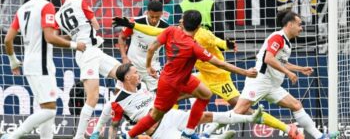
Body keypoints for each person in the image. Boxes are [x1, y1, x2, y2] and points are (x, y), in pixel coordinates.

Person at [112, 15, 304, 139]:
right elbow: (155, 33)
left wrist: (227, 46)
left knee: (225, 102)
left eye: (180, 21)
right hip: (190, 77)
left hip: (217, 79)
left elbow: (219, 44)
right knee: (163, 110)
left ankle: (192, 132)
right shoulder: (182, 36)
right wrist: (133, 24)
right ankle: (152, 133)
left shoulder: (197, 36)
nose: (178, 23)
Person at [2, 0, 86, 139]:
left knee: (47, 108)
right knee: (49, 110)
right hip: (41, 65)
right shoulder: (46, 6)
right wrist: (75, 45)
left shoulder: (22, 8)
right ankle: (13, 135)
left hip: (31, 63)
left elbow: (7, 40)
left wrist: (12, 61)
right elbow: (49, 37)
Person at [233, 10, 339, 139]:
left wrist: (300, 69)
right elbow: (268, 58)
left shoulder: (287, 42)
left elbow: (281, 62)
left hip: (272, 85)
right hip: (260, 81)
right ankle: (209, 131)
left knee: (296, 105)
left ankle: (320, 136)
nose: (301, 28)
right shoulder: (278, 37)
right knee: (238, 111)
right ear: (290, 24)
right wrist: (288, 73)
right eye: (299, 24)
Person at [91, 63, 263, 139]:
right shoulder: (116, 101)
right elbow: (109, 123)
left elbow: (160, 99)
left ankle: (251, 118)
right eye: (135, 73)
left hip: (169, 115)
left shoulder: (142, 85)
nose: (139, 75)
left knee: (206, 116)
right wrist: (96, 134)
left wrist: (189, 94)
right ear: (128, 78)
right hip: (159, 132)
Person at [54, 0, 122, 139]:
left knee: (123, 73)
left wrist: (75, 36)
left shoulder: (58, 15)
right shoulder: (80, 2)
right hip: (87, 52)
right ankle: (79, 136)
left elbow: (57, 37)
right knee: (93, 97)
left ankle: (110, 118)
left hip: (89, 51)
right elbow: (96, 26)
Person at [119, 1, 168, 91]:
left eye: (157, 17)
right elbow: (121, 37)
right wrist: (124, 57)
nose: (154, 20)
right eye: (151, 16)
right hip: (132, 65)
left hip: (152, 66)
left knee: (162, 92)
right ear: (147, 12)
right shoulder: (135, 22)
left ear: (161, 14)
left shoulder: (166, 28)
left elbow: (168, 49)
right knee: (121, 92)